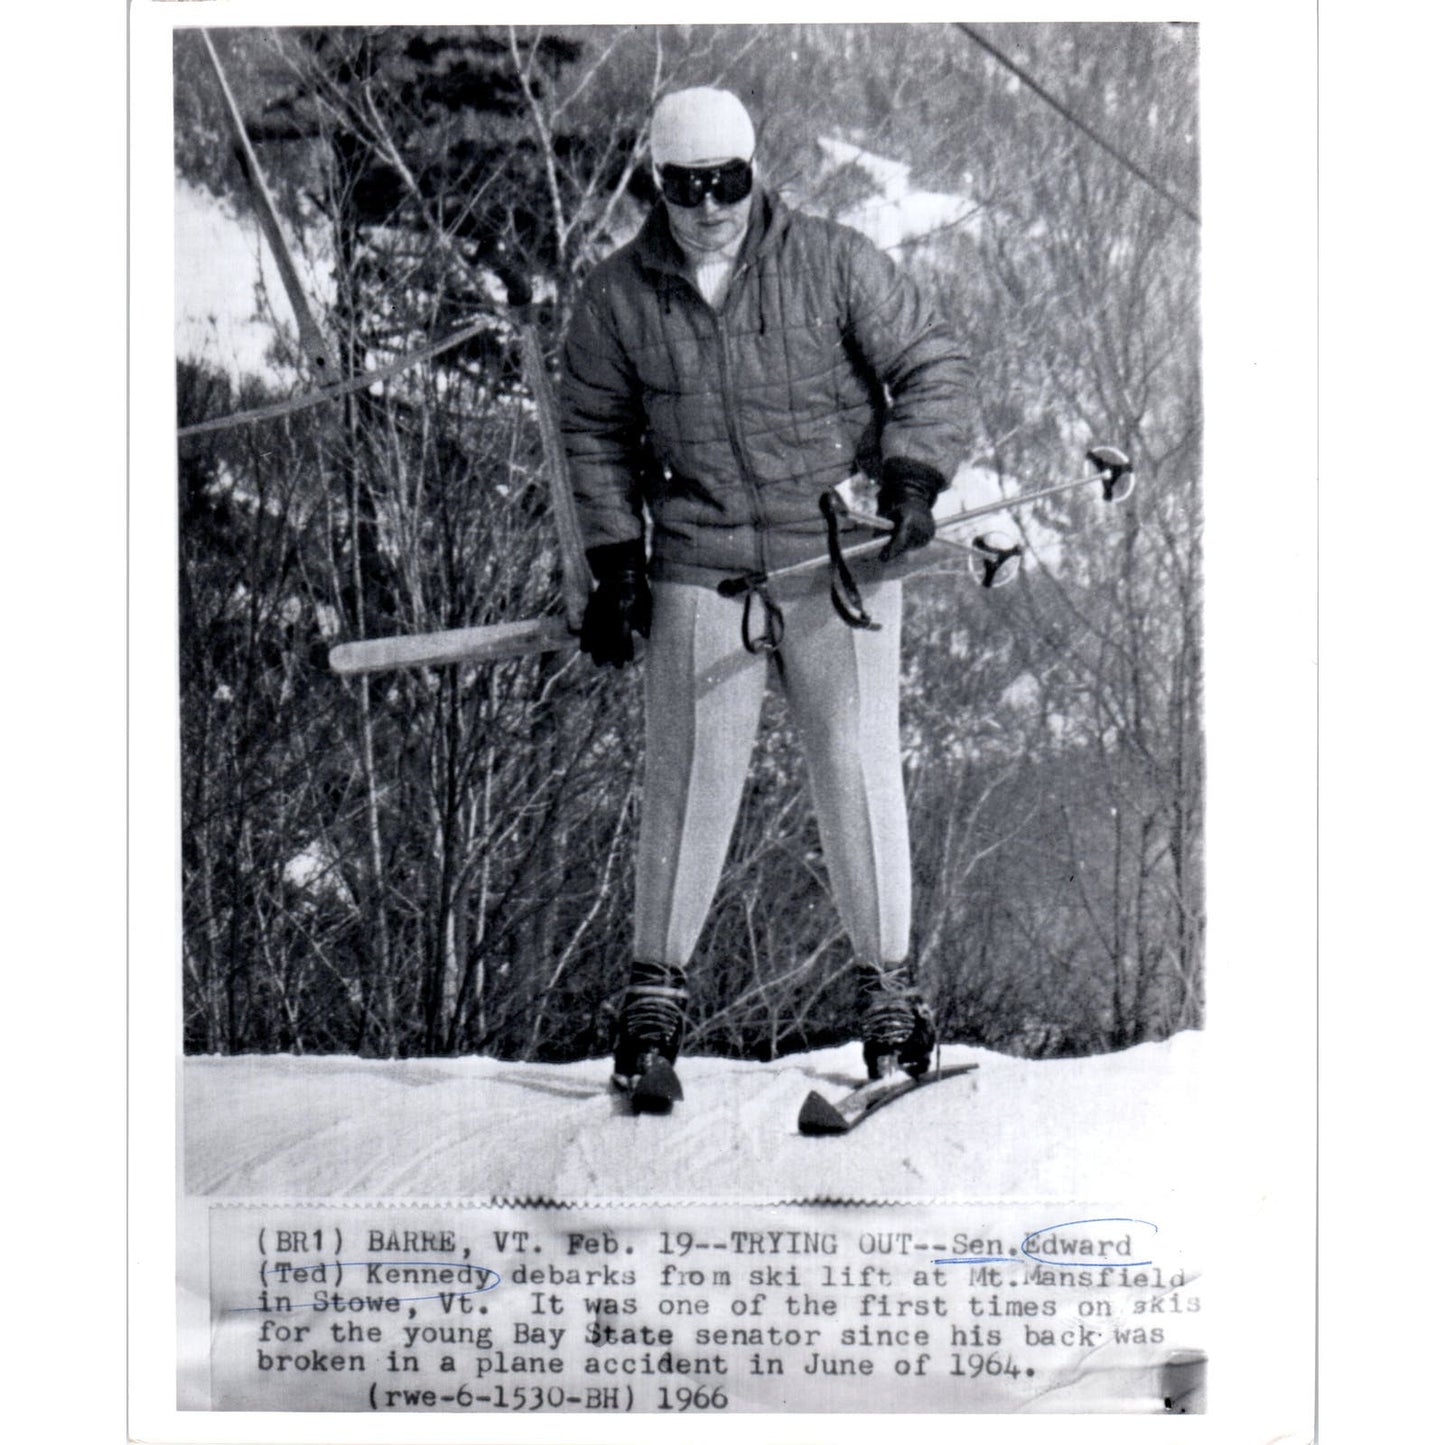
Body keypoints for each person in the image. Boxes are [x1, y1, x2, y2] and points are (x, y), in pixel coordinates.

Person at [559, 86, 974, 1103]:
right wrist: (615, 561)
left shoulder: (830, 261)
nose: (708, 207)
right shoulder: (617, 297)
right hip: (701, 561)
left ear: (755, 173)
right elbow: (594, 432)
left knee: (854, 762)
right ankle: (651, 1004)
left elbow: (932, 363)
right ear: (657, 185)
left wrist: (910, 478)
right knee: (690, 777)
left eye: (727, 183)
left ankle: (890, 999)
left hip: (832, 556)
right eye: (686, 188)